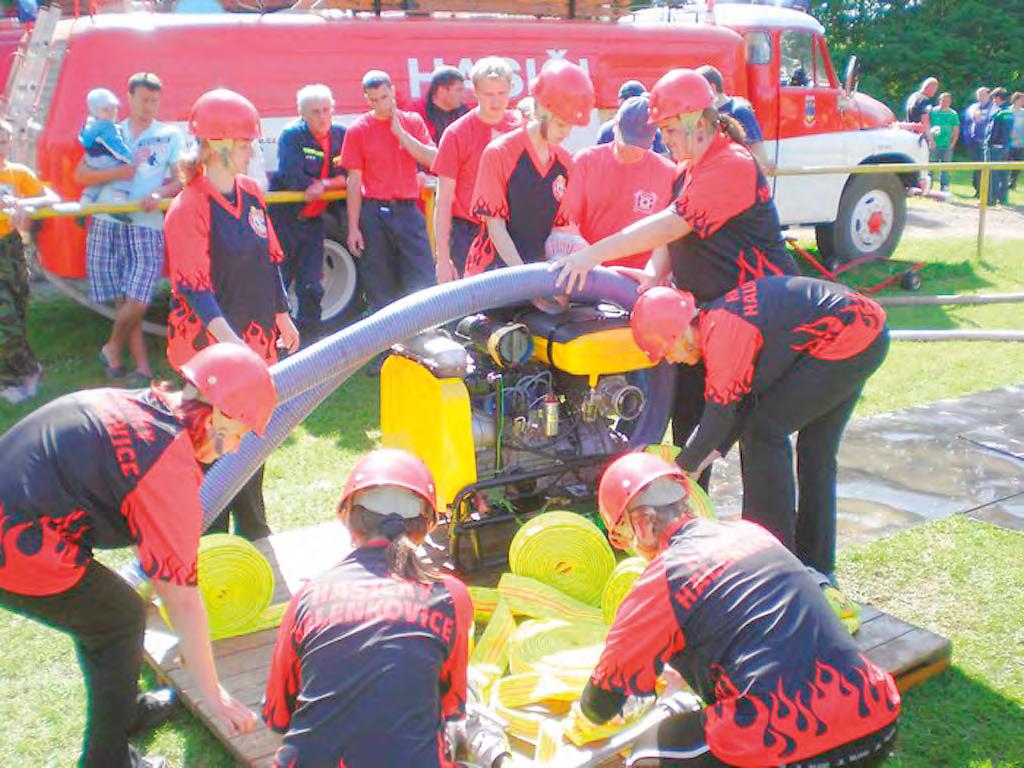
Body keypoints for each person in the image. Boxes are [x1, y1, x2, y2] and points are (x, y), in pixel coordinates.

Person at [0, 342, 271, 768]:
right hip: (17, 546)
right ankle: (107, 761)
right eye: (237, 434)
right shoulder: (168, 463)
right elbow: (181, 596)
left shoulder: (156, 408)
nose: (234, 449)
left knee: (111, 614)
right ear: (218, 412)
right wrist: (214, 695)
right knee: (119, 618)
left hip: (19, 509)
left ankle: (127, 710)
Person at [566, 452, 901, 767]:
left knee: (648, 753)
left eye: (623, 536)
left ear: (643, 523)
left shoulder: (664, 577)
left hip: (790, 741)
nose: (631, 548)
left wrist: (579, 721)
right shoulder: (751, 533)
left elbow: (600, 704)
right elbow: (761, 630)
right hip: (877, 719)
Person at [553, 69, 798, 488]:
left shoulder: (732, 163)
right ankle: (693, 523)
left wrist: (591, 255)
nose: (664, 140)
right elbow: (671, 239)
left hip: (755, 320)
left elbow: (671, 224)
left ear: (698, 122)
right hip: (702, 318)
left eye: (668, 129)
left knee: (759, 436)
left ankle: (773, 541)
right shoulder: (687, 170)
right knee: (688, 422)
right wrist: (652, 275)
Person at [629, 278, 889, 578]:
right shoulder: (718, 320)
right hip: (863, 327)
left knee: (763, 432)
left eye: (667, 353)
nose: (673, 361)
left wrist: (682, 467)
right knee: (815, 449)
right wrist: (697, 463)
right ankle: (817, 567)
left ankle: (770, 562)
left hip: (850, 334)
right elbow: (737, 409)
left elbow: (720, 415)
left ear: (679, 333)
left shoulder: (724, 334)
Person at [262, 448, 473, 767]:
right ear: (426, 524)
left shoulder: (308, 596)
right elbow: (451, 705)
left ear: (346, 517)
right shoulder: (450, 596)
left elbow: (278, 716)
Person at [164, 88, 300, 541]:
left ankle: (256, 536)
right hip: (212, 353)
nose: (252, 151)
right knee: (213, 452)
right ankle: (211, 547)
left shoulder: (250, 193)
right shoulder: (189, 207)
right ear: (217, 145)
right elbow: (195, 291)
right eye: (245, 143)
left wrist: (282, 315)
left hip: (253, 344)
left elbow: (269, 258)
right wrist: (234, 350)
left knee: (253, 444)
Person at [74, 72, 185, 386]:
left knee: (140, 297)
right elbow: (81, 174)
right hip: (108, 221)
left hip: (147, 225)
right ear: (129, 97)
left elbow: (182, 178)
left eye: (154, 100)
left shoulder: (169, 134)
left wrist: (160, 193)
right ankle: (141, 368)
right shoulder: (109, 130)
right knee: (125, 298)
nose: (149, 106)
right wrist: (118, 171)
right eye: (143, 99)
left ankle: (112, 347)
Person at [465, 59, 594, 277]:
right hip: (494, 275)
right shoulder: (499, 153)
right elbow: (496, 229)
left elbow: (562, 229)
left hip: (539, 276)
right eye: (561, 124)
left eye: (570, 126)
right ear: (542, 112)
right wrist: (524, 278)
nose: (566, 133)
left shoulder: (565, 163)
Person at [341, 70, 437, 318]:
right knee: (380, 282)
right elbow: (354, 181)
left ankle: (428, 329)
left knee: (422, 275)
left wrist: (401, 135)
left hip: (408, 208)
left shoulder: (412, 121)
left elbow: (432, 158)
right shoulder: (358, 130)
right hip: (374, 212)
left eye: (384, 97)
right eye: (374, 100)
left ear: (393, 91)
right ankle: (388, 343)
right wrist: (353, 227)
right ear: (366, 98)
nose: (380, 104)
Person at [553, 96, 676, 271]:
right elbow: (566, 223)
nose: (630, 150)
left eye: (638, 145)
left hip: (639, 278)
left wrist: (655, 273)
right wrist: (587, 259)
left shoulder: (668, 173)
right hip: (590, 271)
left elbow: (668, 236)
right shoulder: (586, 161)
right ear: (615, 125)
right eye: (626, 141)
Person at [269, 83, 348, 341]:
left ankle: (312, 345)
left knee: (312, 286)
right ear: (302, 113)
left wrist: (325, 184)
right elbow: (294, 178)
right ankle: (273, 343)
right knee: (278, 284)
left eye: (326, 110)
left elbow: (351, 174)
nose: (322, 116)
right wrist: (321, 183)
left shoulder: (341, 135)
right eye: (315, 111)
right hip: (284, 221)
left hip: (314, 221)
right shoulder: (292, 136)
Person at [431, 56, 521, 282]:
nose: (496, 101)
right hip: (470, 233)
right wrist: (442, 259)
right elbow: (443, 200)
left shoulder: (521, 129)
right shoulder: (457, 134)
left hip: (514, 229)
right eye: (489, 94)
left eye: (501, 93)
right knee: (473, 306)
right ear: (476, 92)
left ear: (511, 89)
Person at [0, 119, 58, 404]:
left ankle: (19, 374)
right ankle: (22, 375)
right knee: (5, 320)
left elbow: (50, 198)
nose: (0, 146)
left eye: (3, 140)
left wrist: (25, 205)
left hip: (10, 249)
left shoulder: (17, 173)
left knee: (17, 315)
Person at [697, 64, 771, 171]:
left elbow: (759, 154)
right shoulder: (704, 114)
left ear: (712, 87)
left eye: (699, 89)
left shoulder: (739, 112)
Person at [78, 87, 133, 205]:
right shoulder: (107, 127)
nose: (112, 112)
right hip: (105, 158)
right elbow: (117, 146)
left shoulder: (89, 124)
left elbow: (84, 141)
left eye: (114, 108)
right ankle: (120, 196)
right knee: (125, 170)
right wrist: (129, 158)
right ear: (95, 111)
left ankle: (87, 197)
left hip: (92, 159)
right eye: (106, 110)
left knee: (98, 180)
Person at [597, 79, 668, 155]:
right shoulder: (607, 131)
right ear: (622, 102)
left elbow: (664, 157)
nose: (638, 105)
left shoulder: (652, 130)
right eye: (634, 101)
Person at [415, 65, 470, 143]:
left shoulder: (464, 113)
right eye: (459, 90)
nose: (464, 95)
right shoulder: (417, 113)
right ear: (441, 91)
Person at [962, 87, 995, 197]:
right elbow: (966, 122)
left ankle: (987, 192)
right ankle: (977, 190)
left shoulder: (994, 108)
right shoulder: (973, 107)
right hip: (974, 142)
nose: (980, 97)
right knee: (977, 168)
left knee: (987, 169)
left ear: (989, 95)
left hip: (988, 143)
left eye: (983, 94)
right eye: (978, 94)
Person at [984, 87, 1014, 206]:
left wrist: (991, 143)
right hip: (1005, 147)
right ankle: (1003, 199)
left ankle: (990, 199)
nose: (993, 101)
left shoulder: (1000, 113)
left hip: (995, 147)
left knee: (992, 174)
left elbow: (995, 131)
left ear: (998, 98)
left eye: (994, 98)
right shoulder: (1009, 113)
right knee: (1003, 174)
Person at [928, 92, 960, 192]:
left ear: (950, 102)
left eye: (946, 101)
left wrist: (953, 143)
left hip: (947, 145)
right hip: (934, 144)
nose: (944, 102)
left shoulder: (953, 114)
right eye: (942, 100)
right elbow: (928, 126)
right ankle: (928, 186)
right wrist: (931, 140)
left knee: (945, 167)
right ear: (939, 100)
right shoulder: (933, 111)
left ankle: (944, 187)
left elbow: (956, 129)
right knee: (931, 166)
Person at [1010, 91, 1024, 190]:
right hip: (1009, 143)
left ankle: (1013, 183)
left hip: (1021, 143)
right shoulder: (1009, 111)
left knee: (1017, 164)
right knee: (1006, 163)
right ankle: (1005, 182)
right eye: (1021, 99)